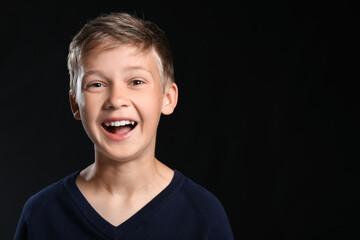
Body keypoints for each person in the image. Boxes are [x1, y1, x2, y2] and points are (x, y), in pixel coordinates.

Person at [14, 12, 234, 239]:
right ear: (76, 104)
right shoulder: (41, 214)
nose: (116, 99)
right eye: (97, 84)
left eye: (136, 81)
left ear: (167, 97)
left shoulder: (203, 215)